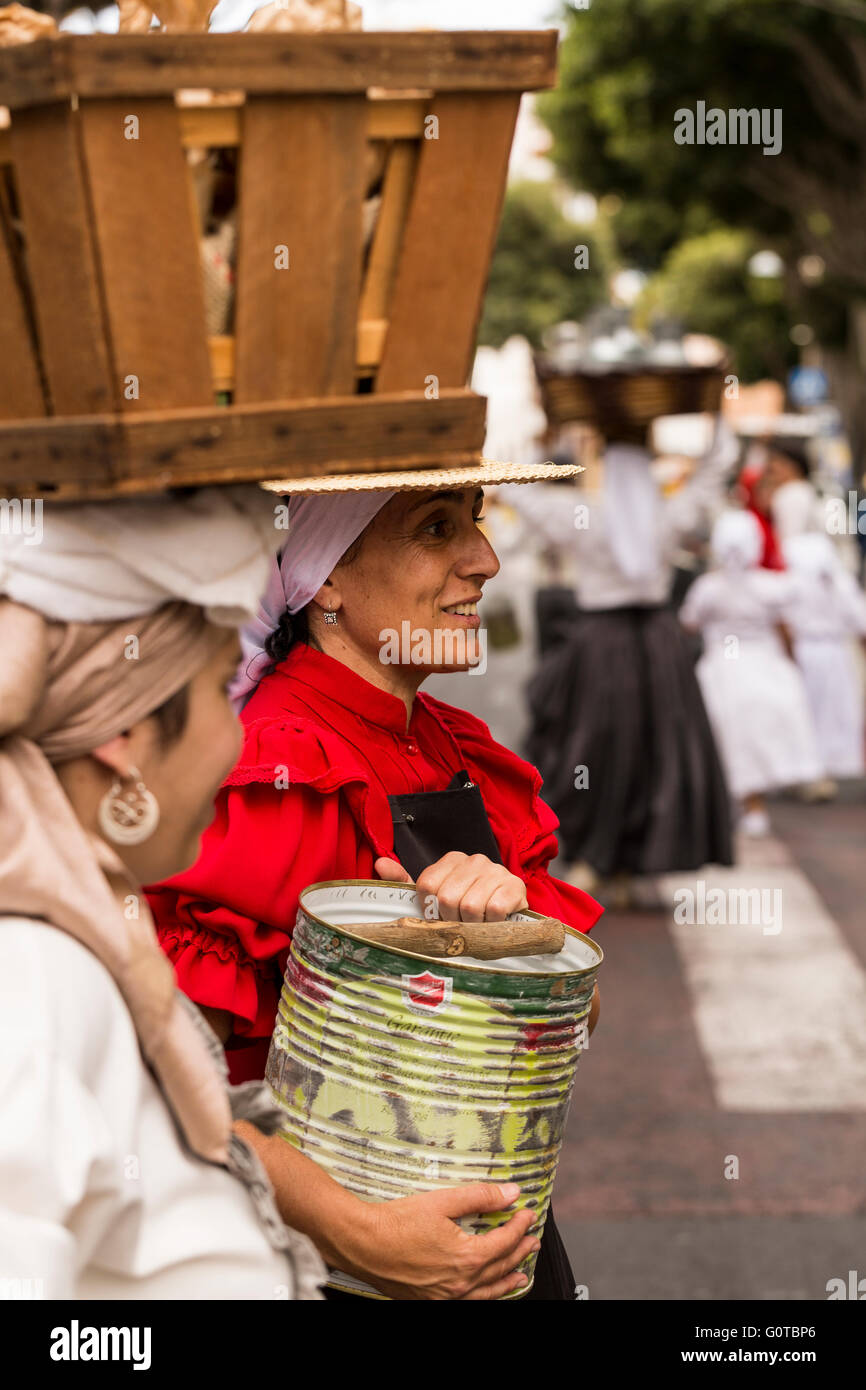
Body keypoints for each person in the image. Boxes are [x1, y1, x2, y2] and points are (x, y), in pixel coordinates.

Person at [147, 461, 603, 1301]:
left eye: (474, 517)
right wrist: (361, 1235)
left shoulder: (450, 742)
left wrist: (516, 939)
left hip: (491, 1247)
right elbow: (164, 1081)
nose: (486, 559)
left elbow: (578, 1014)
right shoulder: (273, 769)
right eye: (436, 527)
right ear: (327, 584)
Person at [0, 488, 326, 1298]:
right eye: (223, 688)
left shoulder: (64, 944)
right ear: (124, 736)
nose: (239, 735)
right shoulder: (31, 979)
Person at [499, 424, 738, 896]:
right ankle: (623, 860)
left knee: (591, 750)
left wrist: (545, 443)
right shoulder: (667, 516)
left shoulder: (582, 514)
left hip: (601, 643)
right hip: (658, 645)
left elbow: (514, 489)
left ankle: (594, 856)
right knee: (656, 750)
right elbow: (717, 467)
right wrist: (714, 421)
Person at [680, 510, 823, 836]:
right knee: (753, 740)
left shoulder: (708, 587)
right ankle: (751, 807)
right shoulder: (772, 587)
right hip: (764, 667)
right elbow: (786, 628)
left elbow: (689, 623)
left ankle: (732, 809)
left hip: (722, 668)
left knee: (725, 741)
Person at [782, 532, 866, 796]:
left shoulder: (793, 583)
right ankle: (818, 772)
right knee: (827, 713)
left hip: (808, 651)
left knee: (813, 712)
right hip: (830, 653)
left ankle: (814, 773)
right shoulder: (838, 582)